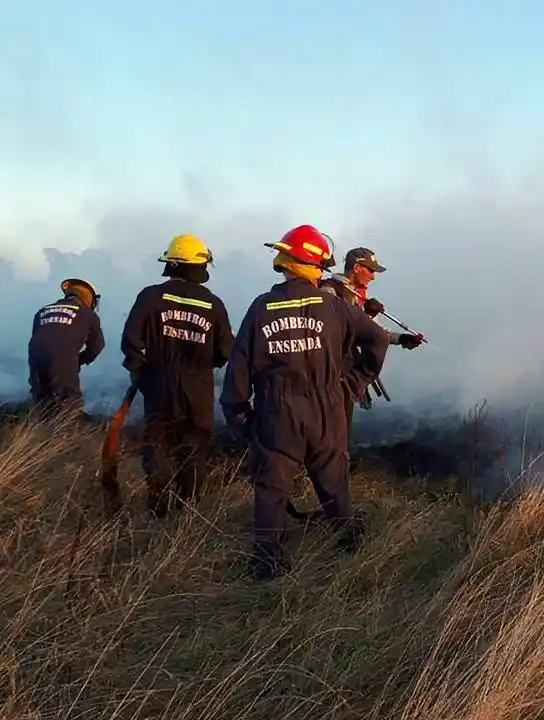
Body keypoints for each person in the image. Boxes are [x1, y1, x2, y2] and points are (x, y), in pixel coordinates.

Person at [219, 225, 391, 581]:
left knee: (271, 491)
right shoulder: (334, 306)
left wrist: (243, 423)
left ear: (284, 261)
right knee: (333, 482)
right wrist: (354, 384)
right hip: (328, 409)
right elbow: (376, 340)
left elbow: (237, 373)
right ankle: (349, 546)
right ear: (317, 265)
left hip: (277, 413)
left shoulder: (260, 308)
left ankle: (268, 566)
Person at [120, 234, 234, 518]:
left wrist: (141, 374)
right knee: (193, 450)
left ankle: (158, 506)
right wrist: (208, 366)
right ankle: (188, 511)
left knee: (157, 445)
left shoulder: (150, 296)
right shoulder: (214, 304)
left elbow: (131, 342)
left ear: (171, 263)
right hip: (198, 388)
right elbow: (226, 350)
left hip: (158, 384)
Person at [318, 247, 424, 459]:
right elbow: (328, 326)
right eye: (370, 270)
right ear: (356, 268)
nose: (373, 276)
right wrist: (365, 313)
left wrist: (403, 339)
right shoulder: (329, 291)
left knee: (340, 435)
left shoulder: (355, 296)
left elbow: (375, 332)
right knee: (330, 438)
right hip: (329, 377)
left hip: (343, 375)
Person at [27, 278, 105, 420]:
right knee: (68, 408)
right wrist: (79, 361)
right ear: (88, 299)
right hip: (63, 363)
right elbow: (97, 346)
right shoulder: (87, 314)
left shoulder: (42, 312)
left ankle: (38, 439)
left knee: (42, 409)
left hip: (35, 363)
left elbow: (37, 341)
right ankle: (66, 440)